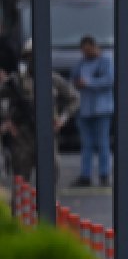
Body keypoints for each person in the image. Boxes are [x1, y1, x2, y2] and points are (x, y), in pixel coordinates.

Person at [0, 40, 78, 184]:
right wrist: (6, 121)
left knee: (50, 179)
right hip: (22, 135)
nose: (33, 60)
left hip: (47, 133)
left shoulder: (53, 79)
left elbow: (74, 98)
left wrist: (62, 119)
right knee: (21, 183)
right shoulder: (16, 81)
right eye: (30, 57)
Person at [70, 36, 113, 187]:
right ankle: (85, 174)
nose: (86, 54)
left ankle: (104, 174)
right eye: (84, 51)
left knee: (102, 143)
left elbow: (109, 81)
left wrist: (88, 83)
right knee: (86, 144)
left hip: (101, 108)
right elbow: (73, 80)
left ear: (95, 47)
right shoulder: (81, 63)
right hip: (85, 109)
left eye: (89, 50)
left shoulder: (105, 62)